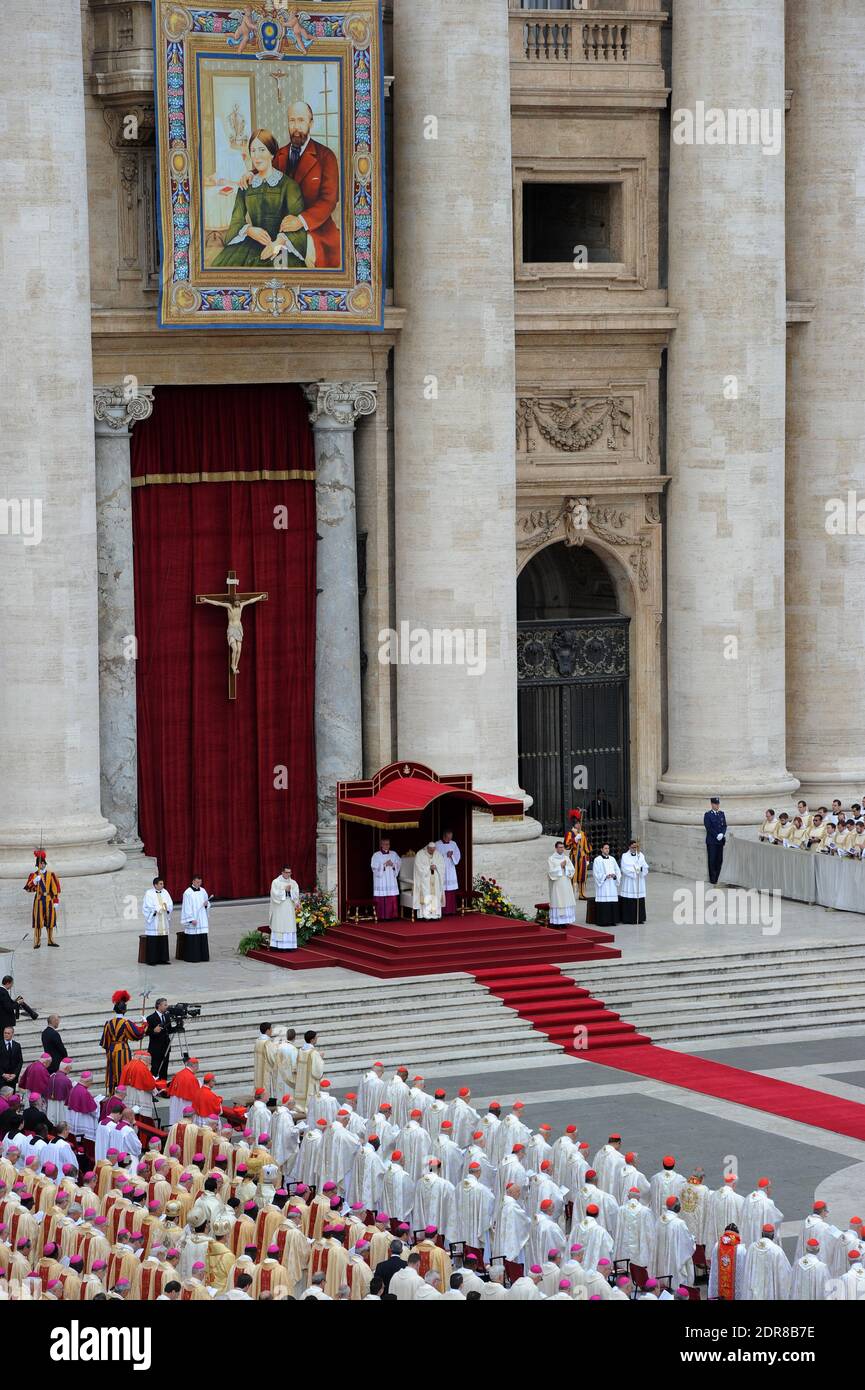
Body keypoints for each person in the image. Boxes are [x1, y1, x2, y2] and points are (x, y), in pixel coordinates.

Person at [212, 130, 308, 269]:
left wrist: (277, 243)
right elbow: (236, 221)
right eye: (253, 151)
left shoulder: (289, 186)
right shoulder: (246, 185)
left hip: (281, 245)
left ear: (272, 152)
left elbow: (296, 225)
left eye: (262, 149)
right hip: (249, 243)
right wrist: (249, 230)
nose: (257, 156)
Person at [99, 992, 146, 1092]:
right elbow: (137, 1034)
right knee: (123, 1071)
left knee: (112, 1072)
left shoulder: (108, 1023)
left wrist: (110, 1050)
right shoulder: (125, 1023)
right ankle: (123, 1092)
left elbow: (105, 1042)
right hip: (123, 1050)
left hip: (111, 1050)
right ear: (124, 1010)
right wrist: (144, 1024)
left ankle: (112, 1093)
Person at [24, 848, 61, 949]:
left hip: (49, 900)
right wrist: (34, 881)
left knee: (50, 920)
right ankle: (37, 941)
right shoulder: (34, 875)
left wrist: (56, 900)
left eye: (43, 863)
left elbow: (55, 888)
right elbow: (28, 888)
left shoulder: (51, 875)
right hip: (39, 900)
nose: (42, 865)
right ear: (37, 865)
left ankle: (50, 940)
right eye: (40, 863)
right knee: (38, 922)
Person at [142, 878, 173, 966]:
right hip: (154, 920)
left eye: (163, 884)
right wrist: (157, 909)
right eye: (160, 884)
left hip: (163, 919)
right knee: (153, 940)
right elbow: (147, 905)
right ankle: (152, 960)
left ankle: (163, 959)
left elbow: (169, 903)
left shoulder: (165, 892)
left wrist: (167, 908)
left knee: (163, 939)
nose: (162, 885)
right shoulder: (149, 893)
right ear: (155, 885)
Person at [293, 1030, 324, 1118]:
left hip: (301, 1082)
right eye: (316, 1038)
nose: (317, 1039)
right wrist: (321, 1058)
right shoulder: (313, 1053)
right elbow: (317, 1072)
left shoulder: (300, 1050)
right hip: (310, 1082)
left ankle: (300, 1106)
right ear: (312, 1040)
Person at [268, 866, 300, 951]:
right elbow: (274, 894)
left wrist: (290, 892)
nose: (288, 874)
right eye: (286, 872)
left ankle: (289, 946)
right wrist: (284, 891)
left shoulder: (293, 882)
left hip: (289, 907)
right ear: (282, 872)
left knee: (289, 925)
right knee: (280, 924)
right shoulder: (276, 882)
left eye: (289, 872)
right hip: (279, 907)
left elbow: (296, 894)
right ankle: (277, 946)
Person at [181, 875, 211, 963]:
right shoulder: (187, 892)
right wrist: (191, 919)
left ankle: (203, 957)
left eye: (200, 882)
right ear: (193, 881)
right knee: (193, 939)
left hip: (201, 918)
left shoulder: (203, 891)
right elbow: (186, 907)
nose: (199, 884)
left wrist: (207, 905)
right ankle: (193, 957)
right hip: (193, 918)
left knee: (202, 937)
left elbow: (207, 902)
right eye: (197, 882)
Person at [412, 842, 446, 920]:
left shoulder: (438, 854)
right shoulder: (420, 854)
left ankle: (435, 914)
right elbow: (418, 868)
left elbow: (442, 866)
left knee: (436, 895)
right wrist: (428, 867)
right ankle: (425, 914)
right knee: (426, 894)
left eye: (433, 850)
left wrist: (436, 866)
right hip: (425, 880)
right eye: (430, 850)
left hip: (435, 879)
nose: (432, 852)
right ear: (427, 848)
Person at [547, 841, 577, 927]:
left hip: (566, 883)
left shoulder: (566, 858)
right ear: (556, 848)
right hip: (557, 883)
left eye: (562, 847)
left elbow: (572, 869)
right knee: (558, 901)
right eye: (560, 847)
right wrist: (560, 867)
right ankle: (558, 922)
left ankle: (565, 921)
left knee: (566, 900)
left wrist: (566, 867)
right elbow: (550, 872)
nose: (562, 849)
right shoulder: (551, 859)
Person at [618, 840, 649, 925]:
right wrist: (636, 870)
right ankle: (629, 919)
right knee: (630, 899)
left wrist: (641, 869)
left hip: (639, 880)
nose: (635, 849)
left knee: (639, 899)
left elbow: (645, 866)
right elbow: (624, 868)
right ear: (629, 847)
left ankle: (640, 918)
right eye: (633, 847)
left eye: (636, 847)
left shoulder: (641, 855)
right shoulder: (625, 856)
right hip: (630, 881)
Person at [564, 810, 592, 901]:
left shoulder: (582, 833)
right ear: (574, 824)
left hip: (582, 857)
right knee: (573, 876)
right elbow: (567, 845)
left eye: (579, 823)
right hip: (574, 857)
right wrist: (575, 839)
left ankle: (581, 894)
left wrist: (587, 858)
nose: (579, 825)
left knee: (582, 876)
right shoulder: (570, 833)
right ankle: (571, 894)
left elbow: (586, 847)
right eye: (577, 823)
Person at [370, 839, 401, 920]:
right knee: (381, 896)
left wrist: (393, 864)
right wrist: (384, 865)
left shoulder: (394, 854)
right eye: (385, 844)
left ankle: (392, 916)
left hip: (391, 878)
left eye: (388, 844)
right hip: (381, 880)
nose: (387, 845)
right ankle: (381, 916)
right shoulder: (376, 855)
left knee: (391, 896)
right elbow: (374, 867)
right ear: (381, 845)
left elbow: (399, 863)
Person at [591, 844, 620, 927]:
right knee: (604, 902)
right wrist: (604, 876)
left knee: (612, 901)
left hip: (611, 884)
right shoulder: (597, 860)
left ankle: (613, 920)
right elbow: (595, 873)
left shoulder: (612, 859)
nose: (607, 850)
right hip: (603, 884)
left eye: (608, 848)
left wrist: (615, 876)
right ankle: (603, 921)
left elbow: (617, 870)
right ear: (601, 849)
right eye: (605, 848)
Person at [435, 830, 461, 915]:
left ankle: (451, 910)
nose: (449, 839)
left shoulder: (453, 844)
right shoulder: (437, 844)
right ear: (444, 836)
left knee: (450, 890)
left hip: (450, 869)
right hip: (441, 869)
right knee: (442, 889)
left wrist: (452, 855)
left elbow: (458, 855)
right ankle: (442, 910)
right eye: (448, 837)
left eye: (451, 837)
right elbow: (434, 856)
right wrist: (444, 855)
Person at [145, 998, 172, 1082]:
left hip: (166, 1047)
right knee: (155, 1069)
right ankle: (153, 1087)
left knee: (164, 1069)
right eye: (165, 1005)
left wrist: (178, 1026)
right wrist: (154, 1031)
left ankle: (163, 1088)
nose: (167, 1006)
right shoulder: (150, 1018)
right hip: (155, 1048)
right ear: (159, 1006)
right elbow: (147, 1032)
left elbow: (169, 1030)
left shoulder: (167, 1016)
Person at [703, 797, 727, 884]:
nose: (717, 806)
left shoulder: (721, 814)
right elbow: (708, 827)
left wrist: (722, 834)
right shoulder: (708, 815)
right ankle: (713, 879)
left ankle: (718, 877)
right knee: (712, 860)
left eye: (718, 804)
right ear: (712, 804)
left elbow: (724, 825)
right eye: (716, 804)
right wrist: (716, 835)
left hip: (720, 841)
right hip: (712, 841)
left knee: (719, 859)